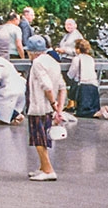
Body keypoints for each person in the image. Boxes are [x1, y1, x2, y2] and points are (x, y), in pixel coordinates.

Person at [26, 35, 66, 182]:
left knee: (39, 139)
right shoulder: (53, 62)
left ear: (32, 51)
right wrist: (58, 108)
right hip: (48, 109)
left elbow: (47, 86)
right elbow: (62, 87)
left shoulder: (37, 63)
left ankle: (48, 170)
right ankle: (42, 167)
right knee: (44, 138)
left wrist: (53, 102)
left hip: (38, 106)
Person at [0, 53, 26, 125]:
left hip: (9, 89)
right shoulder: (2, 61)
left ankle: (15, 115)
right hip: (20, 85)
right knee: (6, 106)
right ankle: (15, 115)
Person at [68, 39, 100, 118]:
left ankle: (101, 113)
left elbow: (71, 74)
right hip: (94, 85)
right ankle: (100, 111)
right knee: (93, 108)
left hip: (83, 85)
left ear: (78, 49)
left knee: (82, 112)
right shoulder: (90, 58)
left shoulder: (77, 59)